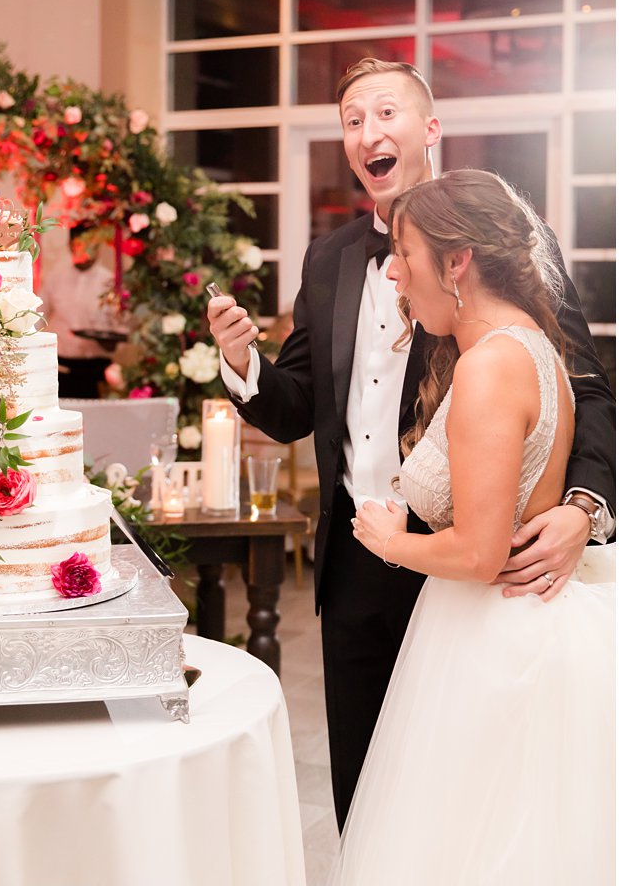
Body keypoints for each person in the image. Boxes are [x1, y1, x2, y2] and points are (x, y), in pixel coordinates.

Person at [205, 59, 615, 829]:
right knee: (364, 787)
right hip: (360, 552)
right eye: (353, 121)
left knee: (467, 791)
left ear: (430, 130)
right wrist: (241, 362)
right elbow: (295, 407)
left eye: (385, 114)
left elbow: (584, 386)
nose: (368, 133)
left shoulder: (506, 244)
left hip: (471, 560)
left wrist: (585, 506)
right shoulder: (328, 259)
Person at [332, 169, 614, 883]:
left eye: (407, 251)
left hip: (488, 641)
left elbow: (484, 552)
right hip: (508, 627)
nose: (395, 270)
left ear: (458, 262)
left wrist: (388, 540)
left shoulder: (491, 367)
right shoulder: (532, 348)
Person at [38, 224, 117, 399]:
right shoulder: (55, 278)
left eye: (91, 244)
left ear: (98, 246)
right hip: (61, 367)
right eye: (80, 245)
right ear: (70, 244)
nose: (85, 250)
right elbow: (36, 319)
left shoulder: (110, 282)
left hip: (97, 370)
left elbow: (120, 328)